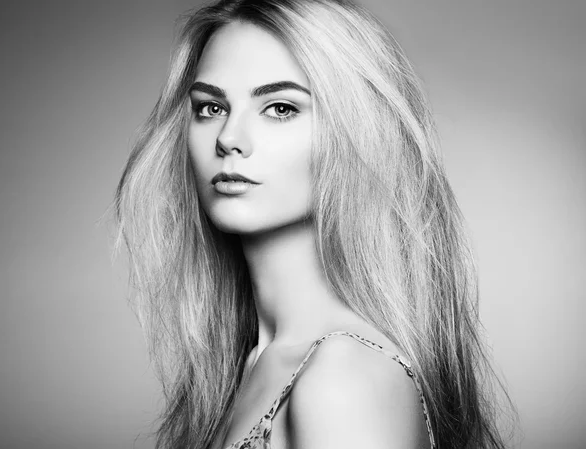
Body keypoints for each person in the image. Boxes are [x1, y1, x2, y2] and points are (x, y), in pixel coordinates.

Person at [115, 0, 512, 448]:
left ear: (358, 131)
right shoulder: (252, 363)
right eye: (210, 108)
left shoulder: (343, 379)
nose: (228, 139)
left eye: (280, 108)